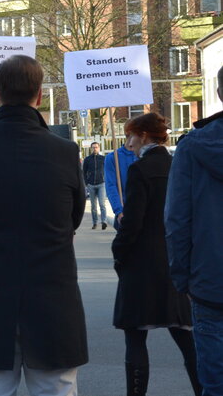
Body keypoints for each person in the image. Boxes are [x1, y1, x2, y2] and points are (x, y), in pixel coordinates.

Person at [0, 55, 88, 395]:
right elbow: (73, 218)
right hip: (52, 296)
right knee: (56, 389)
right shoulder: (66, 151)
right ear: (39, 96)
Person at [111, 113, 200, 396]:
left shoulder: (140, 170)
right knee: (187, 338)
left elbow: (133, 222)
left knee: (135, 339)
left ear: (144, 136)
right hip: (174, 261)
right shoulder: (176, 165)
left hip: (141, 265)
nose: (129, 143)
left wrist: (118, 250)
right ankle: (204, 390)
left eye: (131, 136)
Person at [166, 65, 223, 395]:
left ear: (217, 93)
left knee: (214, 382)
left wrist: (182, 276)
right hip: (206, 282)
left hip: (209, 283)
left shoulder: (192, 147)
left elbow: (176, 220)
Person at [105, 138, 137, 229]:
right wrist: (119, 211)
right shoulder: (113, 157)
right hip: (125, 211)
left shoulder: (145, 156)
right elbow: (111, 186)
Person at [82, 142, 108, 230]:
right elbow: (84, 172)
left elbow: (108, 171)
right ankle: (95, 223)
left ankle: (104, 221)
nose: (95, 149)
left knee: (102, 204)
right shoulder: (87, 159)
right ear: (91, 149)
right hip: (91, 185)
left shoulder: (103, 159)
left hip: (101, 184)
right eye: (93, 147)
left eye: (96, 147)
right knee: (93, 206)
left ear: (99, 148)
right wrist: (86, 183)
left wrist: (106, 180)